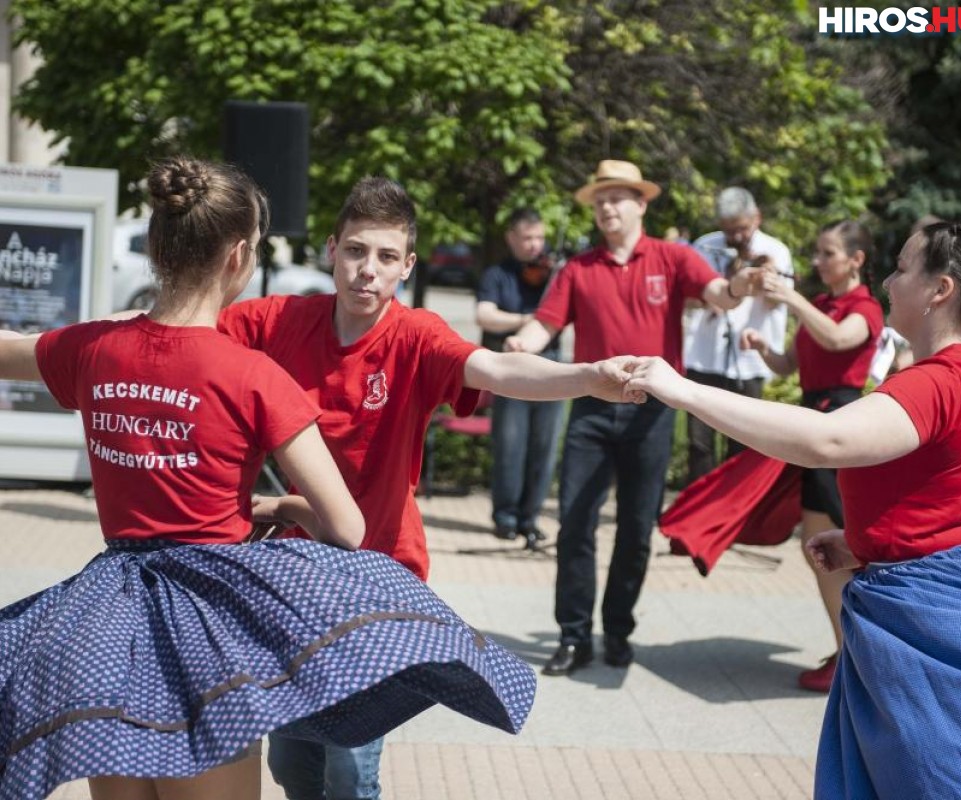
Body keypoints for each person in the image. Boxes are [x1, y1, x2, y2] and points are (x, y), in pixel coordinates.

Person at [0, 159, 536, 800]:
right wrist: (281, 505)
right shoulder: (251, 374)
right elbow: (347, 527)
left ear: (161, 248)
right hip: (208, 626)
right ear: (239, 256)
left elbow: (13, 349)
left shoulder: (94, 349)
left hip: (112, 623)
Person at [215, 176, 637, 800]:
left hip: (380, 574)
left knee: (350, 768)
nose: (367, 271)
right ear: (332, 249)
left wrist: (586, 376)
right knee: (293, 766)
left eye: (386, 257)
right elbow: (183, 328)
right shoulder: (279, 319)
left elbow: (495, 368)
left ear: (407, 266)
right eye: (356, 251)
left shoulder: (417, 336)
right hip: (292, 576)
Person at [627, 222, 961, 798]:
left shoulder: (938, 382)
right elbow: (959, 493)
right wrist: (866, 541)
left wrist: (683, 391)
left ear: (940, 290)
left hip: (928, 616)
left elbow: (826, 442)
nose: (889, 280)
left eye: (903, 268)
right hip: (936, 599)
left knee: (930, 780)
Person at [504, 159, 763, 676]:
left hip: (652, 412)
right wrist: (516, 348)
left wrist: (741, 285)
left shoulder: (672, 258)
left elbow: (718, 295)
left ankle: (617, 632)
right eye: (600, 199)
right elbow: (544, 326)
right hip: (592, 411)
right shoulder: (578, 268)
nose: (606, 207)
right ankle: (574, 637)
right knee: (575, 524)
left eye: (617, 197)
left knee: (636, 528)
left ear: (641, 204)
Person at [738, 220, 883, 693]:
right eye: (818, 253)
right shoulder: (821, 305)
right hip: (814, 420)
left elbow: (842, 340)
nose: (818, 262)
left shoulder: (864, 307)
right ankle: (848, 651)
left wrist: (792, 300)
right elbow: (793, 364)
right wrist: (764, 350)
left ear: (856, 260)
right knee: (821, 548)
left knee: (834, 549)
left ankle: (853, 655)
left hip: (841, 423)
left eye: (828, 253)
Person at [684, 187, 793, 482]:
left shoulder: (776, 250)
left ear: (756, 218)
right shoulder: (705, 246)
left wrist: (766, 277)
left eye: (742, 229)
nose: (736, 237)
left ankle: (732, 520)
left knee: (742, 444)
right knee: (699, 442)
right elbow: (686, 297)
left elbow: (777, 303)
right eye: (729, 231)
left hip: (749, 361)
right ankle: (697, 514)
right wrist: (716, 296)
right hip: (704, 357)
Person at [475, 207, 564, 547]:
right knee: (511, 443)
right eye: (527, 238)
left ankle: (530, 518)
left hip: (550, 362)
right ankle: (506, 517)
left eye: (539, 237)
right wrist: (526, 320)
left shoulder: (553, 273)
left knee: (544, 445)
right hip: (511, 365)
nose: (535, 246)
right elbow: (485, 315)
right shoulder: (497, 275)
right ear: (511, 238)